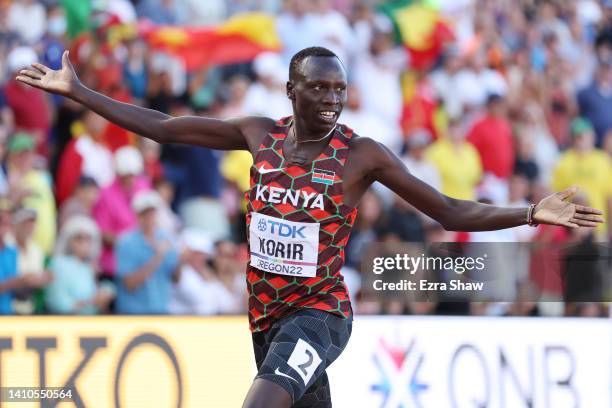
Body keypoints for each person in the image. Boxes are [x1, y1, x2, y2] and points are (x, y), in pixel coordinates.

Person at [17, 47, 604, 408]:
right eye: (318, 87)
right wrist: (79, 92)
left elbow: (449, 211)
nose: (330, 99)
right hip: (265, 317)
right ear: (291, 89)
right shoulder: (257, 134)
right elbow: (166, 128)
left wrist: (529, 213)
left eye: (339, 89)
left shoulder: (362, 154)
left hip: (320, 315)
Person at [114, 190, 179, 314]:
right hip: (134, 313)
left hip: (161, 310)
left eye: (152, 212)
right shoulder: (126, 242)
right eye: (145, 213)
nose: (149, 217)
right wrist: (157, 257)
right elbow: (130, 283)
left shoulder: (166, 238)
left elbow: (175, 277)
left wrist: (182, 260)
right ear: (138, 215)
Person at [46, 216, 114, 314]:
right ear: (69, 240)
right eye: (79, 238)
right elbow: (59, 303)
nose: (84, 244)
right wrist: (91, 302)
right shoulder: (59, 264)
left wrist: (105, 293)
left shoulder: (88, 267)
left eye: (88, 239)